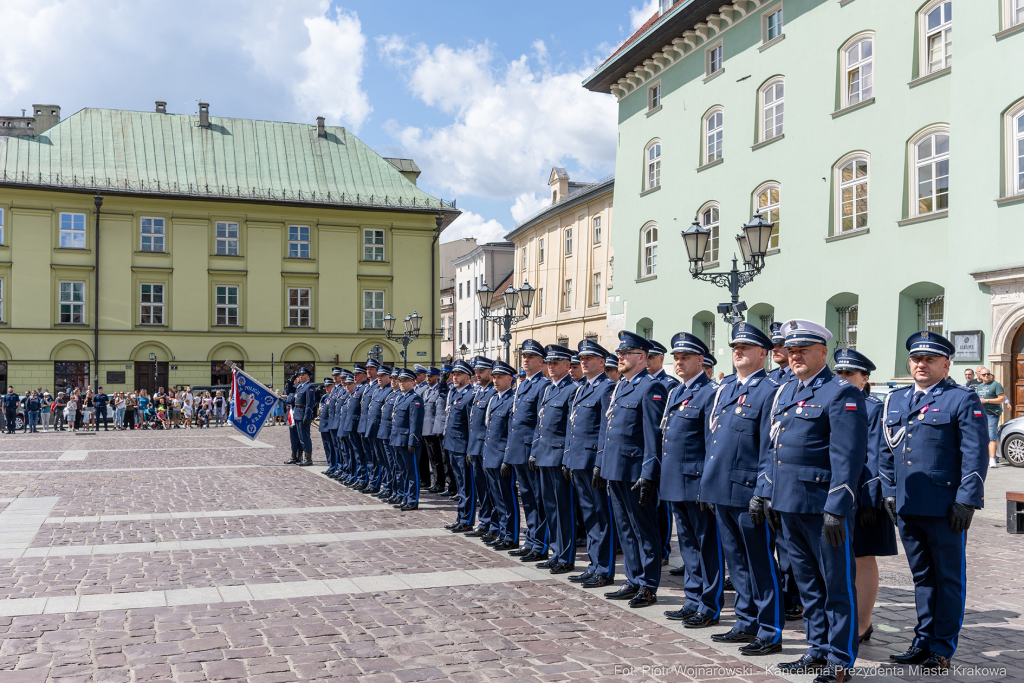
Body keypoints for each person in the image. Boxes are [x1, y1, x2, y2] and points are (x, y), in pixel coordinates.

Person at [755, 320, 866, 683]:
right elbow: (773, 449)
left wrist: (837, 508)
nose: (796, 355)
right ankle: (816, 648)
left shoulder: (840, 392)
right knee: (807, 585)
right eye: (792, 350)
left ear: (823, 352)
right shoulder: (786, 391)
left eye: (804, 349)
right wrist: (767, 493)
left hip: (822, 507)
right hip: (788, 503)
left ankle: (839, 659)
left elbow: (848, 458)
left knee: (837, 585)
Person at [880, 331, 988, 672]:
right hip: (908, 504)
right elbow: (886, 450)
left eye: (929, 359)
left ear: (946, 364)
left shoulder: (961, 399)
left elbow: (975, 455)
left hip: (945, 507)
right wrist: (889, 492)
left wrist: (966, 500)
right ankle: (922, 639)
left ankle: (941, 647)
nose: (921, 364)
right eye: (915, 358)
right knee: (922, 577)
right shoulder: (896, 399)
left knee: (948, 578)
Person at [703, 323, 785, 656]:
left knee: (760, 563)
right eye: (735, 346)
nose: (738, 351)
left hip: (749, 490)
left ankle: (770, 629)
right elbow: (715, 441)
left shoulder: (770, 390)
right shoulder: (724, 388)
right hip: (722, 488)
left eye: (746, 347)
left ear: (763, 354)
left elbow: (770, 448)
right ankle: (745, 620)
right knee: (736, 562)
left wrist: (763, 491)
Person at [596, 331, 668, 609]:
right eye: (619, 354)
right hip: (616, 468)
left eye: (625, 354)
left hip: (636, 470)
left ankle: (649, 585)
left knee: (644, 529)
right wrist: (601, 465)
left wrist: (649, 474)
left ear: (642, 357)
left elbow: (653, 436)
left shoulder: (650, 387)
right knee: (625, 528)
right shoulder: (621, 387)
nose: (620, 358)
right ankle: (634, 578)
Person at [832, 348, 898, 645]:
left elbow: (876, 455)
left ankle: (862, 623)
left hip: (864, 496)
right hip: (835, 493)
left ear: (865, 378)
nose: (843, 378)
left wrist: (870, 498)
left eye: (850, 373)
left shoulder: (873, 407)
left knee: (863, 557)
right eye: (840, 373)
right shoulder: (832, 400)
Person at [658, 332, 722, 628]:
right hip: (675, 480)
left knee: (705, 545)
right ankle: (692, 598)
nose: (679, 362)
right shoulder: (677, 392)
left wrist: (708, 484)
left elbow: (712, 443)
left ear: (701, 360)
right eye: (676, 358)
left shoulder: (710, 392)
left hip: (696, 482)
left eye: (685, 357)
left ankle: (709, 605)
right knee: (686, 546)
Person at [563, 339, 617, 588]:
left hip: (592, 460)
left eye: (588, 359)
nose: (583, 362)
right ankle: (594, 565)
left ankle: (604, 569)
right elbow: (573, 425)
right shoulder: (582, 387)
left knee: (601, 515)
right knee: (589, 516)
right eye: (581, 359)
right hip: (577, 459)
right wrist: (567, 458)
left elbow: (605, 429)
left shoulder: (606, 388)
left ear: (601, 362)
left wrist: (600, 462)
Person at [532, 344, 580, 574]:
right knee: (549, 506)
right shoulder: (548, 389)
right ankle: (555, 551)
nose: (551, 367)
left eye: (556, 363)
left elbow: (572, 428)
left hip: (559, 455)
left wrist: (567, 457)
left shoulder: (573, 389)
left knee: (564, 508)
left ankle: (566, 556)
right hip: (543, 454)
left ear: (567, 365)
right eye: (549, 363)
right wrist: (534, 450)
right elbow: (539, 425)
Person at [502, 340, 552, 561]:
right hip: (518, 451)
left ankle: (540, 544)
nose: (525, 359)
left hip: (531, 452)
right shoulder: (522, 385)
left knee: (538, 500)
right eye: (524, 356)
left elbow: (540, 423)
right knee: (528, 499)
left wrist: (535, 451)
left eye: (530, 357)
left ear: (541, 361)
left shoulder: (543, 385)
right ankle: (531, 540)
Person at [483, 359, 518, 550]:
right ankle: (503, 532)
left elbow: (511, 432)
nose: (495, 380)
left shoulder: (511, 399)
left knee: (507, 499)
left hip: (502, 457)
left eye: (500, 377)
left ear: (510, 379)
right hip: (490, 455)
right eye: (494, 377)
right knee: (497, 499)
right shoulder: (494, 399)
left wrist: (507, 458)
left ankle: (511, 536)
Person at [443, 360, 476, 532]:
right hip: (452, 445)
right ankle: (460, 517)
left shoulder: (470, 395)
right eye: (454, 374)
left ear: (468, 377)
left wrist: (470, 449)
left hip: (463, 446)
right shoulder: (454, 393)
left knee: (466, 486)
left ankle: (467, 520)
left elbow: (472, 425)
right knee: (460, 485)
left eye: (458, 374)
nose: (454, 377)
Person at [466, 357, 497, 540]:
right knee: (482, 488)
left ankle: (494, 524)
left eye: (481, 371)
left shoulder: (493, 391)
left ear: (491, 372)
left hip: (487, 447)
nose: (477, 374)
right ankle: (485, 521)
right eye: (476, 371)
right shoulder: (480, 391)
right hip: (476, 446)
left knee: (492, 490)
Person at [390, 368, 425, 511]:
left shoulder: (415, 399)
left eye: (405, 381)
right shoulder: (400, 397)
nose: (402, 383)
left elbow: (415, 424)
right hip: (397, 440)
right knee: (402, 471)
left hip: (408, 441)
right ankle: (404, 497)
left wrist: (413, 441)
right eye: (401, 381)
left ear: (413, 382)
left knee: (412, 473)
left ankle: (412, 500)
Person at [973, 367, 1006, 468]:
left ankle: (992, 460)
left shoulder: (996, 384)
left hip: (992, 413)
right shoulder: (979, 387)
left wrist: (987, 400)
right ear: (980, 376)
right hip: (980, 414)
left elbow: (1002, 399)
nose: (987, 376)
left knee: (991, 437)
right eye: (984, 375)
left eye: (988, 374)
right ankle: (984, 457)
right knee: (981, 437)